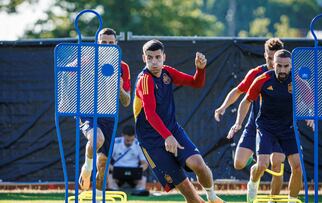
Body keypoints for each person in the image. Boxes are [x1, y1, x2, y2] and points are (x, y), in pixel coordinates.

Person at [133, 39, 224, 203]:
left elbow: (196, 83)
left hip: (172, 130)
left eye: (158, 57)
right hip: (151, 140)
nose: (154, 62)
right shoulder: (144, 80)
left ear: (164, 57)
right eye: (150, 58)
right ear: (143, 58)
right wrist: (167, 137)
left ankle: (212, 196)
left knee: (198, 164)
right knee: (191, 196)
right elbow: (150, 114)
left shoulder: (167, 72)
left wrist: (200, 69)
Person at [227, 49, 313, 203]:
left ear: (291, 66)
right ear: (273, 64)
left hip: (288, 129)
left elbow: (311, 101)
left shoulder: (298, 80)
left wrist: (311, 114)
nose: (282, 70)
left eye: (286, 66)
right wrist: (238, 122)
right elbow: (246, 101)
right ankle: (253, 182)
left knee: (298, 167)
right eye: (279, 66)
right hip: (266, 128)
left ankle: (292, 200)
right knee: (262, 164)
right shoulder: (263, 79)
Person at [214, 38, 285, 197]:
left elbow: (305, 96)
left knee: (277, 163)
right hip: (256, 124)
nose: (273, 64)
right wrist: (223, 107)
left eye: (276, 59)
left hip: (279, 127)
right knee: (239, 164)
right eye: (269, 58)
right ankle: (254, 177)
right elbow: (238, 91)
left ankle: (273, 200)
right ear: (265, 55)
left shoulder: (288, 76)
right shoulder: (257, 74)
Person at [78, 28, 131, 196]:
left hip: (109, 115)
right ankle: (86, 168)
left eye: (110, 43)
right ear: (97, 43)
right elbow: (66, 73)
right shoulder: (86, 60)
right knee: (97, 138)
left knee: (103, 164)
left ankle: (99, 195)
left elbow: (126, 101)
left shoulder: (123, 67)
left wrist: (120, 88)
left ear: (116, 44)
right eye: (103, 43)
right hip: (88, 112)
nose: (107, 46)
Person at [107, 125, 149, 195]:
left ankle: (139, 192)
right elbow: (106, 161)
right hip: (116, 172)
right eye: (127, 140)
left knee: (143, 178)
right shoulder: (115, 143)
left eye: (132, 140)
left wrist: (139, 169)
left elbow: (145, 163)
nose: (130, 142)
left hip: (134, 173)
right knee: (110, 177)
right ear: (122, 135)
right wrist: (111, 168)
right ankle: (114, 191)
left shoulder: (138, 144)